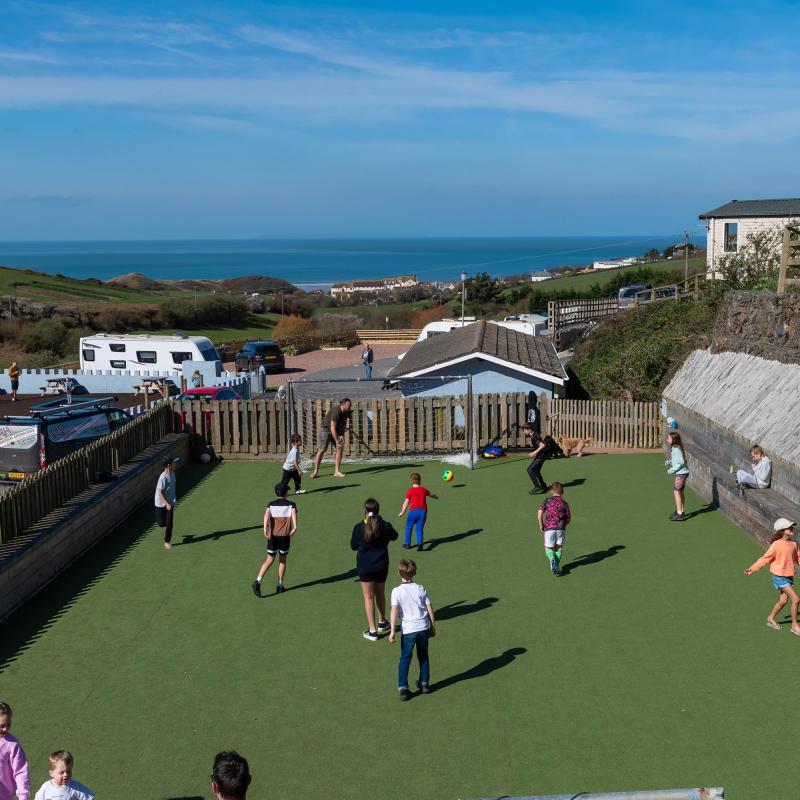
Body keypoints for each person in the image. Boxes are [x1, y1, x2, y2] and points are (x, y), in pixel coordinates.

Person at [351, 498, 398, 641]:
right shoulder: (385, 525)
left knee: (368, 597)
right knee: (380, 593)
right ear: (378, 510)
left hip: (365, 567)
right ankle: (382, 622)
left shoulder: (359, 528)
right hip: (382, 565)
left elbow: (353, 546)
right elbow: (395, 536)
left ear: (365, 511)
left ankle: (373, 631)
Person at [389, 559, 436, 700]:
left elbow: (394, 611)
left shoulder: (396, 591)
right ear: (414, 573)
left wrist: (392, 631)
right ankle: (424, 684)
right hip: (423, 628)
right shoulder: (421, 588)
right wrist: (433, 626)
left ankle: (403, 688)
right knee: (423, 656)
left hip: (408, 630)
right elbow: (429, 608)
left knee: (405, 658)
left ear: (399, 573)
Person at [744, 518, 800, 635]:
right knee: (796, 599)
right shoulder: (776, 545)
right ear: (782, 530)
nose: (792, 528)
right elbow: (766, 559)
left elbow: (798, 559)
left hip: (788, 576)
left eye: (792, 526)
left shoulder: (794, 544)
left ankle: (770, 618)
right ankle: (794, 625)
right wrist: (753, 568)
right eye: (789, 527)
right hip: (779, 577)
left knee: (784, 600)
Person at [252, 482, 298, 597]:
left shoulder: (270, 504)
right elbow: (293, 515)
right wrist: (295, 527)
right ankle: (280, 585)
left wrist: (265, 529)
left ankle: (258, 580)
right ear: (286, 493)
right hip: (284, 536)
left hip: (273, 536)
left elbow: (266, 516)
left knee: (269, 559)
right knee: (282, 560)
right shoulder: (291, 504)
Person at [310, 398, 352, 479]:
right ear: (342, 404)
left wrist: (342, 434)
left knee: (340, 448)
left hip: (335, 430)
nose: (350, 407)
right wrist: (337, 441)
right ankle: (315, 471)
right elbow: (332, 427)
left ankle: (336, 471)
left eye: (350, 406)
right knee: (322, 449)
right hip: (326, 430)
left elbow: (344, 423)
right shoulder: (336, 411)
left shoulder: (347, 412)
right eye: (348, 405)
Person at [537, 481, 571, 575]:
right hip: (561, 529)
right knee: (558, 548)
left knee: (549, 548)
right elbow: (569, 519)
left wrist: (541, 525)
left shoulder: (547, 500)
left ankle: (552, 560)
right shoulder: (565, 503)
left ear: (551, 491)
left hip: (549, 528)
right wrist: (563, 525)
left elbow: (539, 514)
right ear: (562, 492)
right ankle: (556, 567)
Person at [398, 472, 438, 551]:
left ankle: (407, 544)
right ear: (420, 480)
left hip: (413, 512)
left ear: (410, 481)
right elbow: (431, 494)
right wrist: (436, 496)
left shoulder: (410, 491)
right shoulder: (423, 489)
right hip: (423, 512)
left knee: (409, 527)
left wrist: (402, 512)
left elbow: (406, 502)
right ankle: (419, 543)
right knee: (419, 529)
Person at [0, 702, 29, 800]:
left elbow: (20, 771)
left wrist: (23, 795)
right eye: (2, 725)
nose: (5, 729)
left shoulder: (12, 744)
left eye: (8, 724)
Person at [154, 456, 180, 550]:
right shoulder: (162, 478)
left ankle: (167, 541)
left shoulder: (173, 473)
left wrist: (170, 502)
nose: (175, 464)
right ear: (169, 465)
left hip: (170, 502)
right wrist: (166, 504)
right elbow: (159, 492)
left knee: (169, 523)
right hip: (160, 503)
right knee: (161, 524)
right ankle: (163, 523)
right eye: (174, 463)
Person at [666, 432, 689, 521]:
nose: (667, 440)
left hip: (681, 474)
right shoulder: (676, 448)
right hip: (683, 473)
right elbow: (677, 460)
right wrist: (669, 462)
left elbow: (681, 462)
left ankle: (680, 514)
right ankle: (681, 511)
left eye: (669, 438)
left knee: (676, 492)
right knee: (680, 491)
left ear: (674, 440)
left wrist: (671, 470)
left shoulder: (676, 449)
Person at [524, 425, 554, 495]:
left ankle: (538, 487)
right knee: (536, 470)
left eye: (525, 430)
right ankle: (543, 485)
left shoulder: (535, 436)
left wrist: (534, 453)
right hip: (542, 454)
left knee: (530, 470)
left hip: (542, 455)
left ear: (530, 430)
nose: (524, 432)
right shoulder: (534, 435)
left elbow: (543, 445)